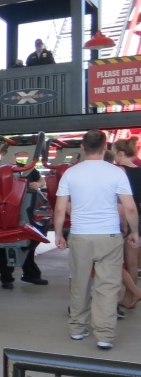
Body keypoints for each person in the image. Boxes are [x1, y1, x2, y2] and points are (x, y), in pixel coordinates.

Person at [54, 129, 139, 349]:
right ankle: (104, 335)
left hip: (80, 235)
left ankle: (77, 329)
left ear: (82, 147)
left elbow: (60, 209)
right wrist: (134, 232)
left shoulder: (70, 173)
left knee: (80, 283)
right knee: (108, 287)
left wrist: (58, 234)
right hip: (109, 235)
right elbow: (129, 207)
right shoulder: (116, 172)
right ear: (105, 147)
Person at [0, 144, 48, 289]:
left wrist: (37, 184)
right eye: (6, 153)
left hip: (24, 212)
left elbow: (42, 180)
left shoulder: (26, 168)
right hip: (1, 213)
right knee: (2, 244)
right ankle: (6, 278)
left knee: (28, 242)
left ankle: (31, 275)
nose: (10, 156)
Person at [112, 138, 141, 310]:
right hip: (138, 217)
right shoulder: (139, 171)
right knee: (132, 261)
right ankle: (129, 297)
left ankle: (132, 294)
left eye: (114, 152)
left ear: (121, 153)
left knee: (117, 260)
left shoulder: (119, 171)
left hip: (125, 218)